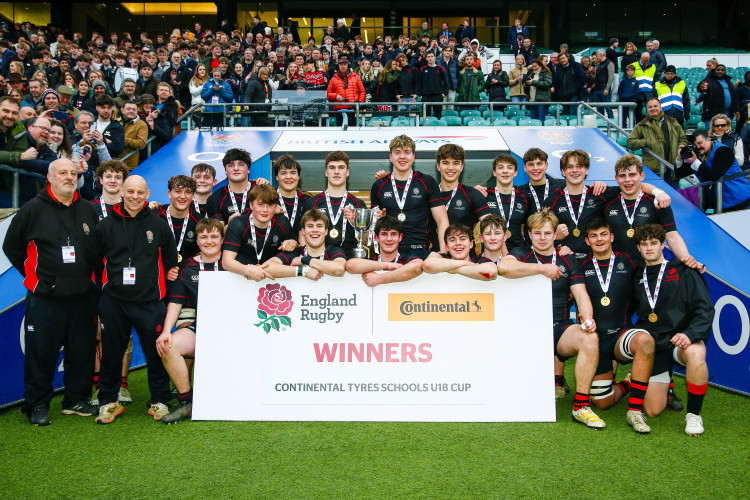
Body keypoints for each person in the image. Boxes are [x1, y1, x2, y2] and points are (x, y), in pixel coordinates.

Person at [3, 159, 100, 426]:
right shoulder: (32, 209)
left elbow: (96, 252)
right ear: (50, 177)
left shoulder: (88, 210)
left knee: (81, 352)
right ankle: (36, 404)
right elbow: (12, 247)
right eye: (63, 173)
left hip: (82, 296)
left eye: (72, 173)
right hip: (45, 298)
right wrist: (37, 278)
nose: (69, 177)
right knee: (41, 353)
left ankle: (76, 400)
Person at [499, 208, 605, 429]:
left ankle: (581, 407)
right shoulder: (521, 253)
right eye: (537, 233)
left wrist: (587, 318)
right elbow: (503, 267)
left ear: (555, 234)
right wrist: (542, 268)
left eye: (547, 233)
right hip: (525, 328)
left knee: (590, 338)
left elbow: (581, 295)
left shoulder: (568, 260)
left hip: (559, 327)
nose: (542, 238)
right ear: (529, 234)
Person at [91, 174, 178, 424]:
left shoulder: (159, 225)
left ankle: (159, 400)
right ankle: (108, 401)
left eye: (140, 193)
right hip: (114, 301)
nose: (135, 197)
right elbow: (95, 261)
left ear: (147, 194)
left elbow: (171, 260)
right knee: (111, 353)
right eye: (130, 192)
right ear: (121, 192)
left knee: (156, 353)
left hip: (149, 302)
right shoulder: (106, 226)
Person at [632, 224, 713, 436]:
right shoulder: (636, 276)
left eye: (653, 243)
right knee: (652, 410)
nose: (649, 248)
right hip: (654, 345)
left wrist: (690, 334)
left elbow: (704, 309)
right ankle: (663, 383)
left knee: (697, 353)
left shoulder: (684, 270)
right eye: (644, 244)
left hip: (680, 341)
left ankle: (694, 415)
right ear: (639, 248)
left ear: (663, 245)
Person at [580, 219, 655, 434]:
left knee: (645, 341)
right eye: (593, 236)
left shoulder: (630, 261)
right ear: (587, 241)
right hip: (595, 340)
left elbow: (657, 267)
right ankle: (628, 383)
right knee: (602, 403)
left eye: (603, 234)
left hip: (621, 333)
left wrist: (688, 262)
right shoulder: (581, 267)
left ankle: (634, 411)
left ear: (612, 237)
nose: (599, 239)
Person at [156, 218, 224, 424]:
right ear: (197, 240)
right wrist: (166, 330)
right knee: (169, 344)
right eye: (204, 237)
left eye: (214, 236)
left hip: (236, 330)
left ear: (222, 239)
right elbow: (175, 303)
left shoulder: (235, 262)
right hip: (203, 328)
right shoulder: (187, 268)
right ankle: (187, 401)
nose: (209, 241)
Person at [547, 149, 669, 261]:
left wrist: (658, 192)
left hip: (597, 262)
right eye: (569, 167)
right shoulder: (552, 200)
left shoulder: (599, 193)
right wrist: (555, 236)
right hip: (567, 259)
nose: (574, 171)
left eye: (579, 166)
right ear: (563, 171)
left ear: (586, 170)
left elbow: (633, 185)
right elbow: (538, 236)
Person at [604, 154, 702, 269]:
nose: (627, 180)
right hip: (617, 271)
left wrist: (687, 259)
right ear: (616, 178)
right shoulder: (607, 202)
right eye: (622, 176)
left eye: (632, 175)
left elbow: (671, 236)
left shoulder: (657, 202)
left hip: (649, 270)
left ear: (642, 176)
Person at [370, 135, 449, 258]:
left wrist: (444, 253)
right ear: (391, 157)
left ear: (413, 157)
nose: (402, 156)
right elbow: (374, 226)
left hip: (419, 250)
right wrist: (377, 217)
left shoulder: (427, 182)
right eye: (397, 152)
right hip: (389, 251)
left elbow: (442, 221)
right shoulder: (379, 186)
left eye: (407, 152)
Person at [221, 183, 293, 281]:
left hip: (272, 279)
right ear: (251, 205)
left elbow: (294, 247)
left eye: (270, 205)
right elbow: (227, 262)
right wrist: (248, 270)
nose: (265, 210)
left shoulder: (282, 222)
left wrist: (294, 243)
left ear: (276, 206)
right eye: (260, 205)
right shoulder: (238, 223)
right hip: (242, 278)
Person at [302, 151, 367, 258]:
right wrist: (306, 260)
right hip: (318, 262)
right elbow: (303, 236)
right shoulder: (312, 202)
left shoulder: (358, 204)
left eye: (341, 167)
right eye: (332, 168)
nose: (336, 172)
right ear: (326, 172)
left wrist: (356, 224)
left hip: (349, 261)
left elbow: (366, 242)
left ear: (347, 172)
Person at [430, 144, 489, 250]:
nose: (451, 168)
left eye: (456, 163)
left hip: (464, 258)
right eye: (445, 163)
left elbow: (491, 225)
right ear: (438, 166)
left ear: (462, 167)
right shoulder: (428, 194)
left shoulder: (472, 194)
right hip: (434, 258)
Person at [676, 130, 750, 212]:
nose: (698, 147)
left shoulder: (724, 151)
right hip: (719, 200)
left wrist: (695, 161)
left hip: (737, 197)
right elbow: (679, 174)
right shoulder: (697, 154)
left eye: (700, 143)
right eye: (695, 145)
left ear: (708, 139)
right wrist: (680, 158)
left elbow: (714, 175)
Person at [263, 208, 347, 279]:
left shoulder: (333, 251)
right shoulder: (295, 252)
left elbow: (339, 269)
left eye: (319, 226)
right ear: (303, 231)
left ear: (326, 231)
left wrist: (305, 260)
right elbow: (266, 267)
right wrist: (302, 271)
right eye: (310, 226)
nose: (315, 230)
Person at [345, 215, 424, 286]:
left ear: (400, 237)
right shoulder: (372, 261)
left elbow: (418, 266)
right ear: (376, 238)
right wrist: (387, 265)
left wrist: (379, 279)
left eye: (393, 234)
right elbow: (350, 265)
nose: (389, 239)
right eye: (384, 234)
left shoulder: (405, 260)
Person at [627, 97, 687, 176]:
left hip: (672, 167)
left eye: (655, 106)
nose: (653, 109)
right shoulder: (641, 125)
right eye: (650, 107)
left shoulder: (673, 122)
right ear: (647, 109)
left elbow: (682, 139)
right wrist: (646, 141)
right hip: (653, 170)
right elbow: (630, 143)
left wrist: (680, 147)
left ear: (661, 108)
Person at [153, 175, 202, 265]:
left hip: (188, 274)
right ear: (169, 194)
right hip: (160, 273)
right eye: (178, 191)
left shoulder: (199, 221)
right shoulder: (154, 216)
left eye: (188, 192)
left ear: (193, 195)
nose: (183, 196)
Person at [205, 148, 263, 223]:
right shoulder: (215, 198)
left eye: (241, 164)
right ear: (225, 170)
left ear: (248, 169)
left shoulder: (262, 190)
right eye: (231, 165)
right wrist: (231, 225)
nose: (236, 168)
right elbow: (218, 232)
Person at [423, 223, 498, 281]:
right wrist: (468, 264)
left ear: (471, 244)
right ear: (446, 247)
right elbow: (427, 265)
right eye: (452, 240)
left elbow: (491, 272)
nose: (458, 243)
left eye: (462, 239)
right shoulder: (442, 257)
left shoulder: (479, 260)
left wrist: (452, 269)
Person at [273, 154, 309, 239]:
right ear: (277, 177)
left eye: (293, 173)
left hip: (300, 249)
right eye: (283, 173)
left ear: (298, 176)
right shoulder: (268, 201)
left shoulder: (308, 201)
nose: (288, 177)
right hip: (274, 251)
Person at [326, 57, 365, 126]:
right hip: (338, 110)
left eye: (344, 64)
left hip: (353, 109)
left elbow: (362, 91)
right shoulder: (333, 79)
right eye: (341, 64)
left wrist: (359, 102)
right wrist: (335, 96)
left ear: (348, 66)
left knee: (352, 131)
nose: (343, 66)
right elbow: (328, 94)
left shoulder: (355, 77)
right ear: (338, 66)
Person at [697, 64, 738, 129]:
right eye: (718, 70)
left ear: (725, 71)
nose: (720, 71)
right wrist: (701, 88)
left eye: (722, 70)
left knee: (726, 135)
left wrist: (736, 110)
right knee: (711, 135)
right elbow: (701, 88)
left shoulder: (729, 82)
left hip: (727, 113)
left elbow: (734, 97)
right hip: (711, 114)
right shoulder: (708, 80)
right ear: (715, 71)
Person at [417, 50, 449, 119]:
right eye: (428, 57)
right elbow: (419, 83)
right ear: (426, 58)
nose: (430, 58)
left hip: (437, 96)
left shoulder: (441, 69)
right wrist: (420, 94)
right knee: (426, 117)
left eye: (432, 56)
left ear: (435, 57)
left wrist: (444, 94)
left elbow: (446, 83)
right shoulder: (422, 69)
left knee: (437, 116)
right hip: (426, 96)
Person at [118, 100, 147, 170]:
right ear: (122, 110)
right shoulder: (115, 122)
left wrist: (121, 140)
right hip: (112, 161)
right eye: (128, 109)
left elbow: (141, 144)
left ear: (137, 111)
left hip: (129, 165)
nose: (131, 111)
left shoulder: (142, 124)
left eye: (134, 109)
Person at [633, 52, 656, 123]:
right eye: (644, 60)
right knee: (638, 111)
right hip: (638, 92)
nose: (646, 62)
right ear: (641, 58)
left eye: (647, 60)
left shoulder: (653, 67)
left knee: (650, 110)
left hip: (649, 92)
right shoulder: (633, 65)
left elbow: (656, 79)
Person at [592, 49, 614, 119]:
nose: (596, 58)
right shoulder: (599, 65)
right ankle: (601, 124)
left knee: (608, 108)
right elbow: (595, 77)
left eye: (597, 56)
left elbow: (611, 77)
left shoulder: (609, 63)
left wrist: (607, 88)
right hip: (597, 89)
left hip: (604, 89)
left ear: (601, 55)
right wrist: (592, 72)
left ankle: (612, 125)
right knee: (599, 110)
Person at [436, 45, 458, 110]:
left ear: (451, 52)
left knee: (450, 107)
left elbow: (457, 75)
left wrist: (455, 83)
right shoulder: (437, 62)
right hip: (441, 88)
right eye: (446, 50)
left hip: (452, 87)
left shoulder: (455, 63)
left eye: (449, 51)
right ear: (442, 51)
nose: (448, 52)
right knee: (442, 107)